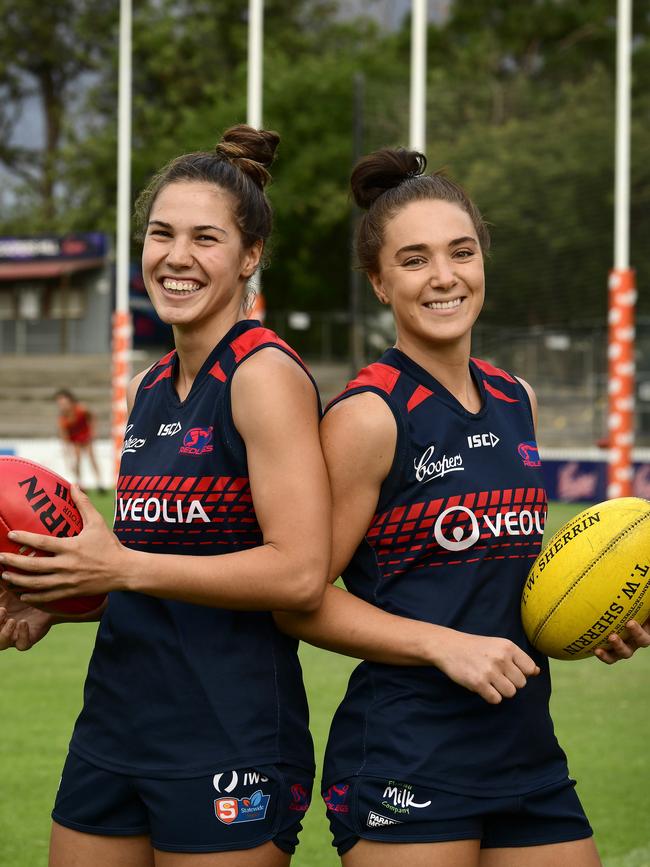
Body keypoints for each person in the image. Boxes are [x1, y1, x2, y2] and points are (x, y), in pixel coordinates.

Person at [275, 147, 650, 867]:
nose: (444, 276)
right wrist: (441, 643)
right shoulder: (368, 415)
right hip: (407, 750)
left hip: (524, 745)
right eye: (413, 260)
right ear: (380, 283)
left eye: (462, 252)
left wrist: (595, 615)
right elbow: (298, 599)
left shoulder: (518, 399)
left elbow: (509, 579)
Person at [0, 125, 330, 867]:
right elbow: (149, 562)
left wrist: (119, 569)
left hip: (228, 730)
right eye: (161, 234)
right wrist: (59, 596)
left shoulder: (262, 374)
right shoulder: (148, 384)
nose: (176, 256)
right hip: (115, 723)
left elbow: (300, 572)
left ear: (249, 257)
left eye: (205, 238)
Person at [54, 388, 105, 492]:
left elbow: (92, 417)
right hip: (75, 440)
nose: (63, 406)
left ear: (70, 402)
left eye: (64, 403)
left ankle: (100, 483)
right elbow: (64, 436)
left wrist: (93, 430)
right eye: (60, 404)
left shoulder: (81, 409)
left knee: (92, 458)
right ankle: (80, 483)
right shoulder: (62, 419)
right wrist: (67, 451)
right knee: (77, 460)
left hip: (86, 436)